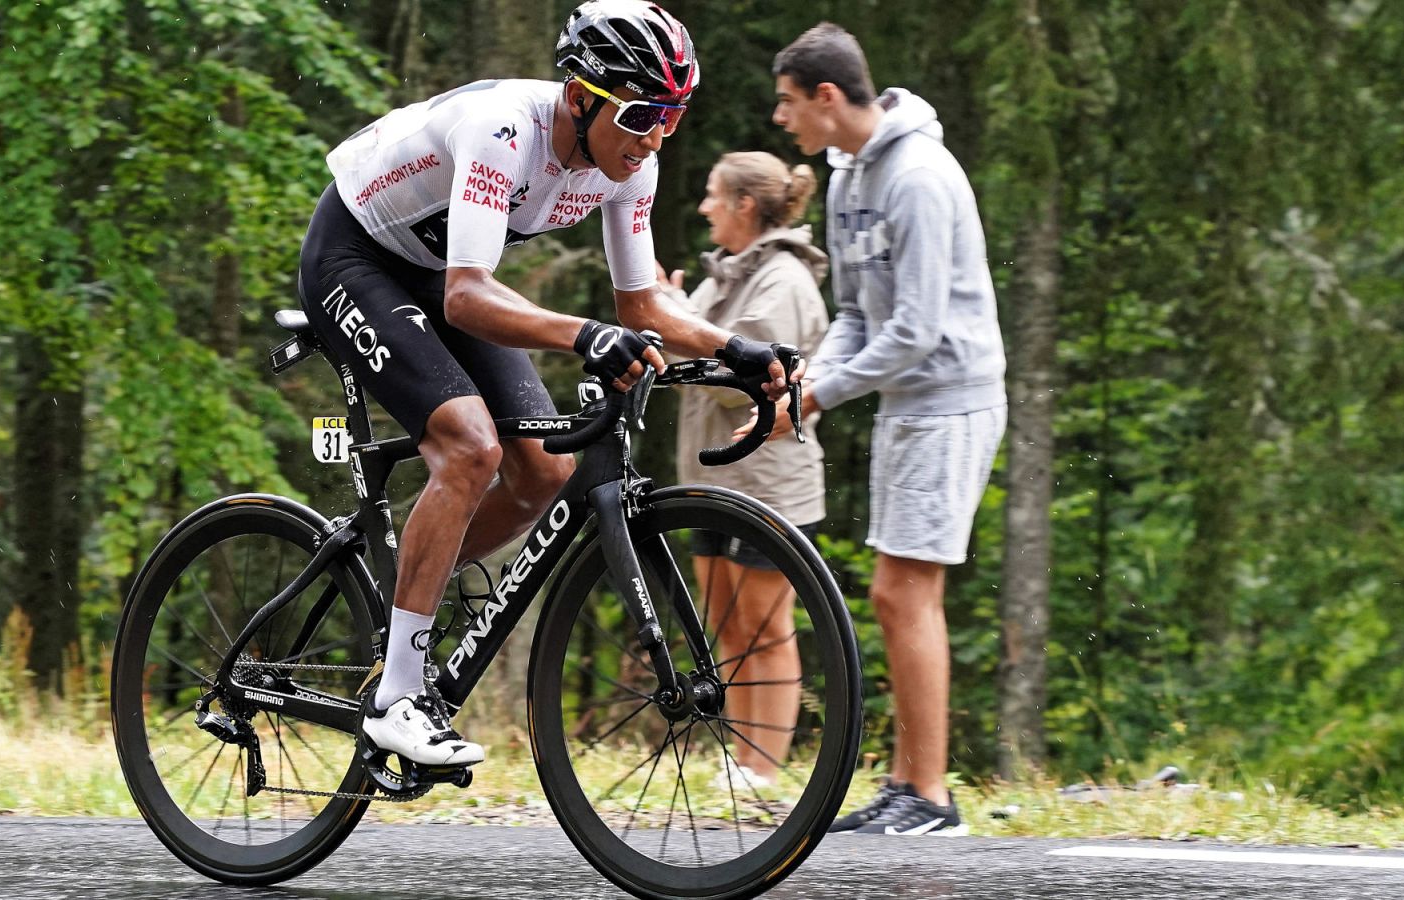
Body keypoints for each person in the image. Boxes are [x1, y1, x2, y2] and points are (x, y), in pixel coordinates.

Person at [298, 0, 791, 771]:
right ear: (579, 96)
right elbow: (467, 296)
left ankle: (402, 597)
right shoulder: (504, 129)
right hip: (354, 257)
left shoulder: (631, 161)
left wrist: (736, 347)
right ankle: (396, 696)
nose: (655, 135)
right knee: (468, 448)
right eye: (640, 114)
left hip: (434, 276)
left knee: (542, 473)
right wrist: (584, 334)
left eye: (672, 115)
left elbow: (643, 304)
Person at [759, 23, 1008, 835]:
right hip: (908, 402)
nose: (780, 118)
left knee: (906, 593)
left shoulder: (920, 177)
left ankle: (931, 797)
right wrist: (808, 377)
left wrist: (822, 396)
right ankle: (908, 785)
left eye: (789, 102)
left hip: (953, 398)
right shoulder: (846, 178)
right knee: (896, 594)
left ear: (827, 97)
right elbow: (861, 316)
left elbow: (920, 329)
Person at [657, 152, 829, 789]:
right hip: (716, 479)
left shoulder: (782, 280)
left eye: (712, 195)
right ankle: (744, 755)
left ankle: (763, 767)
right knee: (725, 618)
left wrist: (681, 325)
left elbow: (745, 385)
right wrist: (671, 304)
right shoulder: (729, 274)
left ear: (744, 206)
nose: (703, 207)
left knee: (763, 623)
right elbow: (689, 334)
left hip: (767, 483)